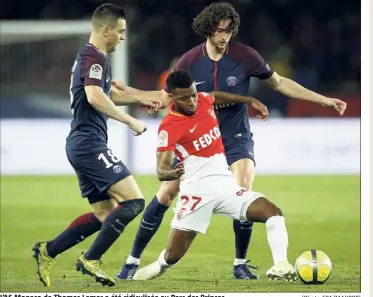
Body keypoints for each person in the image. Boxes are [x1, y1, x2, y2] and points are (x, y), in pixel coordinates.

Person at [116, 2, 347, 280]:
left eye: (228, 30)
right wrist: (133, 93)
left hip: (235, 135)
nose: (224, 36)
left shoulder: (246, 56)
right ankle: (132, 261)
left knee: (244, 185)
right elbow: (167, 97)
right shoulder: (189, 60)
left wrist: (323, 100)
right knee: (165, 193)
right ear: (208, 30)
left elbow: (281, 83)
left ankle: (240, 263)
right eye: (219, 31)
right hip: (197, 143)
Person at [31, 3, 160, 288]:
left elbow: (104, 93)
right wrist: (130, 121)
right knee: (134, 201)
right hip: (88, 143)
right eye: (121, 31)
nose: (123, 37)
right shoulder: (94, 59)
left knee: (105, 213)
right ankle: (91, 259)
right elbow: (94, 97)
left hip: (81, 143)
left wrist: (139, 99)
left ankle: (47, 251)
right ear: (106, 30)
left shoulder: (89, 57)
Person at [132, 70, 297, 282]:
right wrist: (172, 173)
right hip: (196, 193)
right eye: (185, 98)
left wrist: (248, 100)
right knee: (173, 256)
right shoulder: (169, 127)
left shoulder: (202, 100)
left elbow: (215, 96)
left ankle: (281, 265)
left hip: (225, 186)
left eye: (193, 94)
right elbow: (160, 170)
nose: (192, 101)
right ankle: (159, 266)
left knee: (273, 212)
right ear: (172, 98)